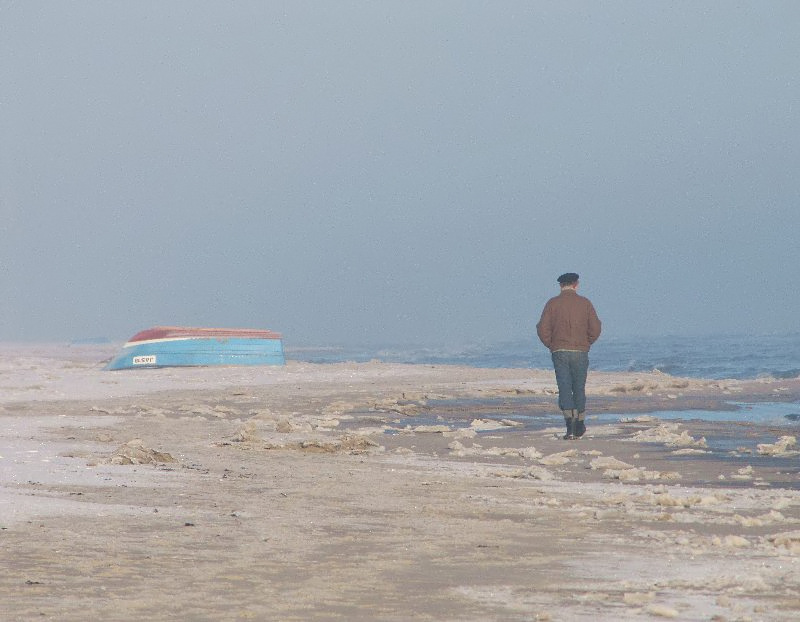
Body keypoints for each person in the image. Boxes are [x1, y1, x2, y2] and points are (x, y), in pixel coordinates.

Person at [536, 272, 602, 440]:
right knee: (578, 387)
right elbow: (596, 328)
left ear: (560, 285)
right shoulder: (585, 303)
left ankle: (570, 427)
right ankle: (579, 422)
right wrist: (586, 343)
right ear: (576, 284)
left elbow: (542, 328)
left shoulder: (552, 303)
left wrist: (551, 345)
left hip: (560, 351)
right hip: (580, 351)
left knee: (565, 387)